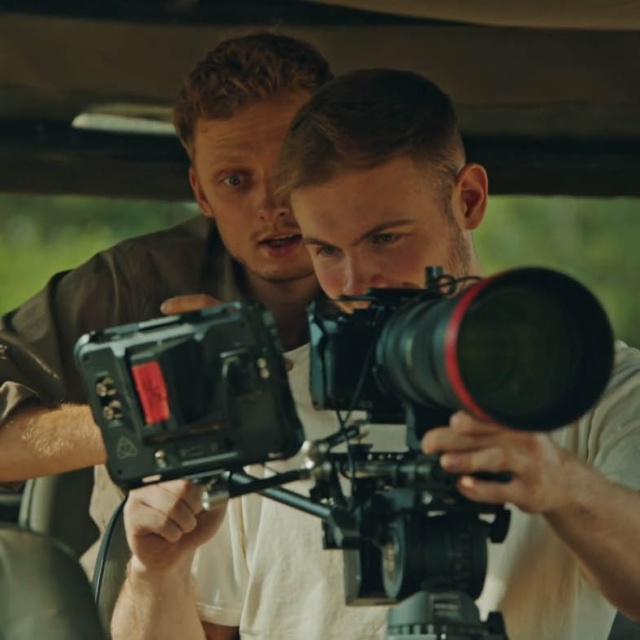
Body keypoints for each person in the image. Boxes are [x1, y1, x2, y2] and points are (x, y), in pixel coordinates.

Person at [111, 69, 640, 640]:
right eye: (326, 251)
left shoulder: (594, 388)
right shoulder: (264, 406)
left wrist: (564, 487)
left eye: (385, 238)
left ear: (468, 199)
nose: (355, 283)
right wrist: (155, 571)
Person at [0, 32, 332, 482]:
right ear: (201, 193)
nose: (271, 205)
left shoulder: (400, 272)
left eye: (292, 169)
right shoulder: (135, 282)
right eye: (235, 180)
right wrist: (152, 418)